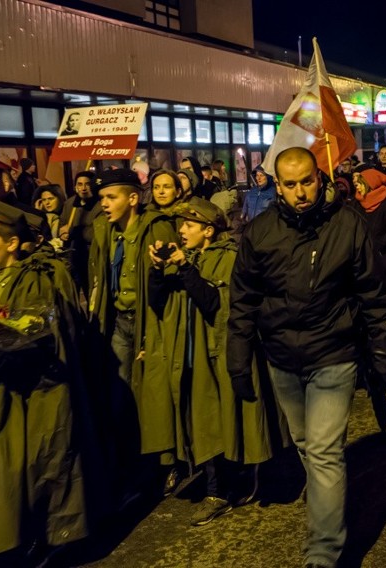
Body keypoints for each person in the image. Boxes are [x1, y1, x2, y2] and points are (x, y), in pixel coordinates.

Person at [228, 147, 386, 568]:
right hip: (281, 357)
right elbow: (243, 301)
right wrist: (238, 358)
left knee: (323, 450)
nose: (301, 192)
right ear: (277, 186)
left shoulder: (347, 224)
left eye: (307, 181)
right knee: (305, 443)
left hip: (333, 353)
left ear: (319, 178)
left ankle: (323, 553)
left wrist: (381, 349)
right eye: (290, 184)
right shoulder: (260, 232)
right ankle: (327, 491)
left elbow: (374, 293)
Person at [0, 200, 89, 561]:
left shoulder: (37, 279)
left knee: (29, 470)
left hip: (28, 396)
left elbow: (45, 346)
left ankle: (37, 541)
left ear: (11, 243)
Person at [147, 198, 280, 526]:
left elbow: (214, 303)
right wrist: (156, 269)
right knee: (203, 422)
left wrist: (185, 268)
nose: (181, 230)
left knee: (227, 419)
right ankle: (219, 487)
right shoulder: (187, 257)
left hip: (219, 354)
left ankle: (234, 482)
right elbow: (158, 301)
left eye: (189, 225)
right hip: (189, 354)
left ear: (208, 231)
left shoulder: (229, 258)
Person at [86, 168, 180, 499]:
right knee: (121, 396)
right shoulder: (104, 232)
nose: (105, 204)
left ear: (132, 198)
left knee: (153, 396)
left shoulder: (156, 227)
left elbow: (170, 281)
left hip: (150, 323)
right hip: (117, 323)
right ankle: (132, 466)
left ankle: (166, 463)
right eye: (102, 199)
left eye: (111, 198)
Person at [352, 167, 386, 281]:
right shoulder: (356, 202)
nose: (357, 187)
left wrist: (377, 246)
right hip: (361, 256)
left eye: (361, 184)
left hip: (382, 255)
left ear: (370, 184)